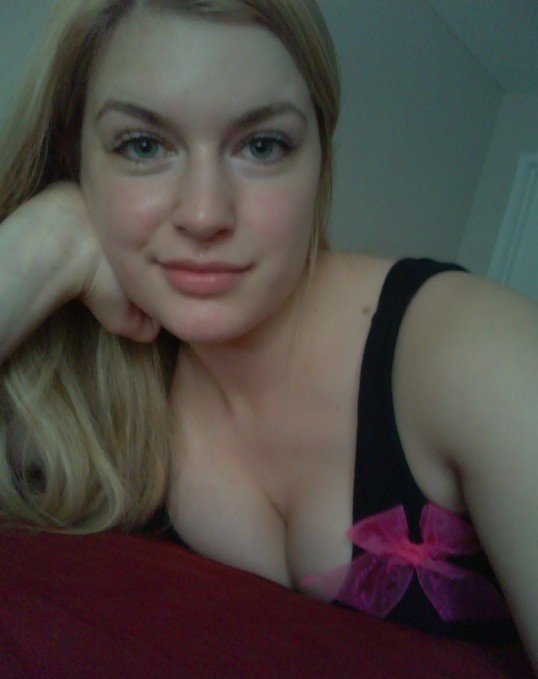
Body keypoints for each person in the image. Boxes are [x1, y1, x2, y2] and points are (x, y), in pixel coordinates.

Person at [0, 0, 537, 670]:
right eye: (142, 145)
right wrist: (40, 244)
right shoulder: (102, 385)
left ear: (320, 159)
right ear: (77, 158)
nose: (205, 214)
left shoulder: (476, 352)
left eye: (262, 145)